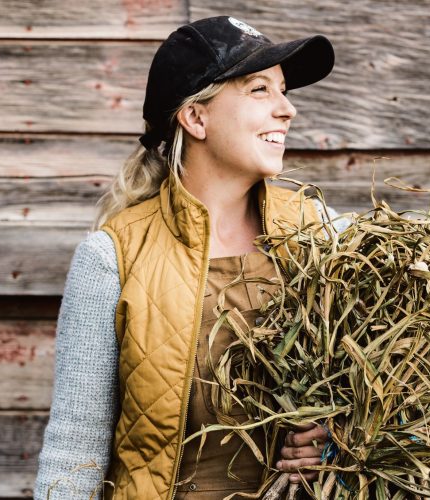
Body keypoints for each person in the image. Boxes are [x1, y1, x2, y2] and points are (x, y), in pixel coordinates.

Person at [35, 16, 339, 499]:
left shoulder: (324, 235)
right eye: (260, 89)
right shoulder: (113, 257)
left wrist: (338, 443)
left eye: (284, 91)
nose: (288, 110)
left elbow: (398, 400)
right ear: (195, 118)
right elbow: (76, 449)